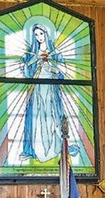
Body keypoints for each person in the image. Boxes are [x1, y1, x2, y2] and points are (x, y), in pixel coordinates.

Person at [19, 23, 65, 163]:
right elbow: (25, 70)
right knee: (37, 117)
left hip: (51, 88)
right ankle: (36, 149)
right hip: (38, 88)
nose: (39, 37)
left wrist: (51, 68)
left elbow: (63, 73)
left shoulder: (55, 53)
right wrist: (34, 64)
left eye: (41, 34)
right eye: (36, 35)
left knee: (52, 116)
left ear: (46, 34)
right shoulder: (31, 54)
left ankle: (55, 147)